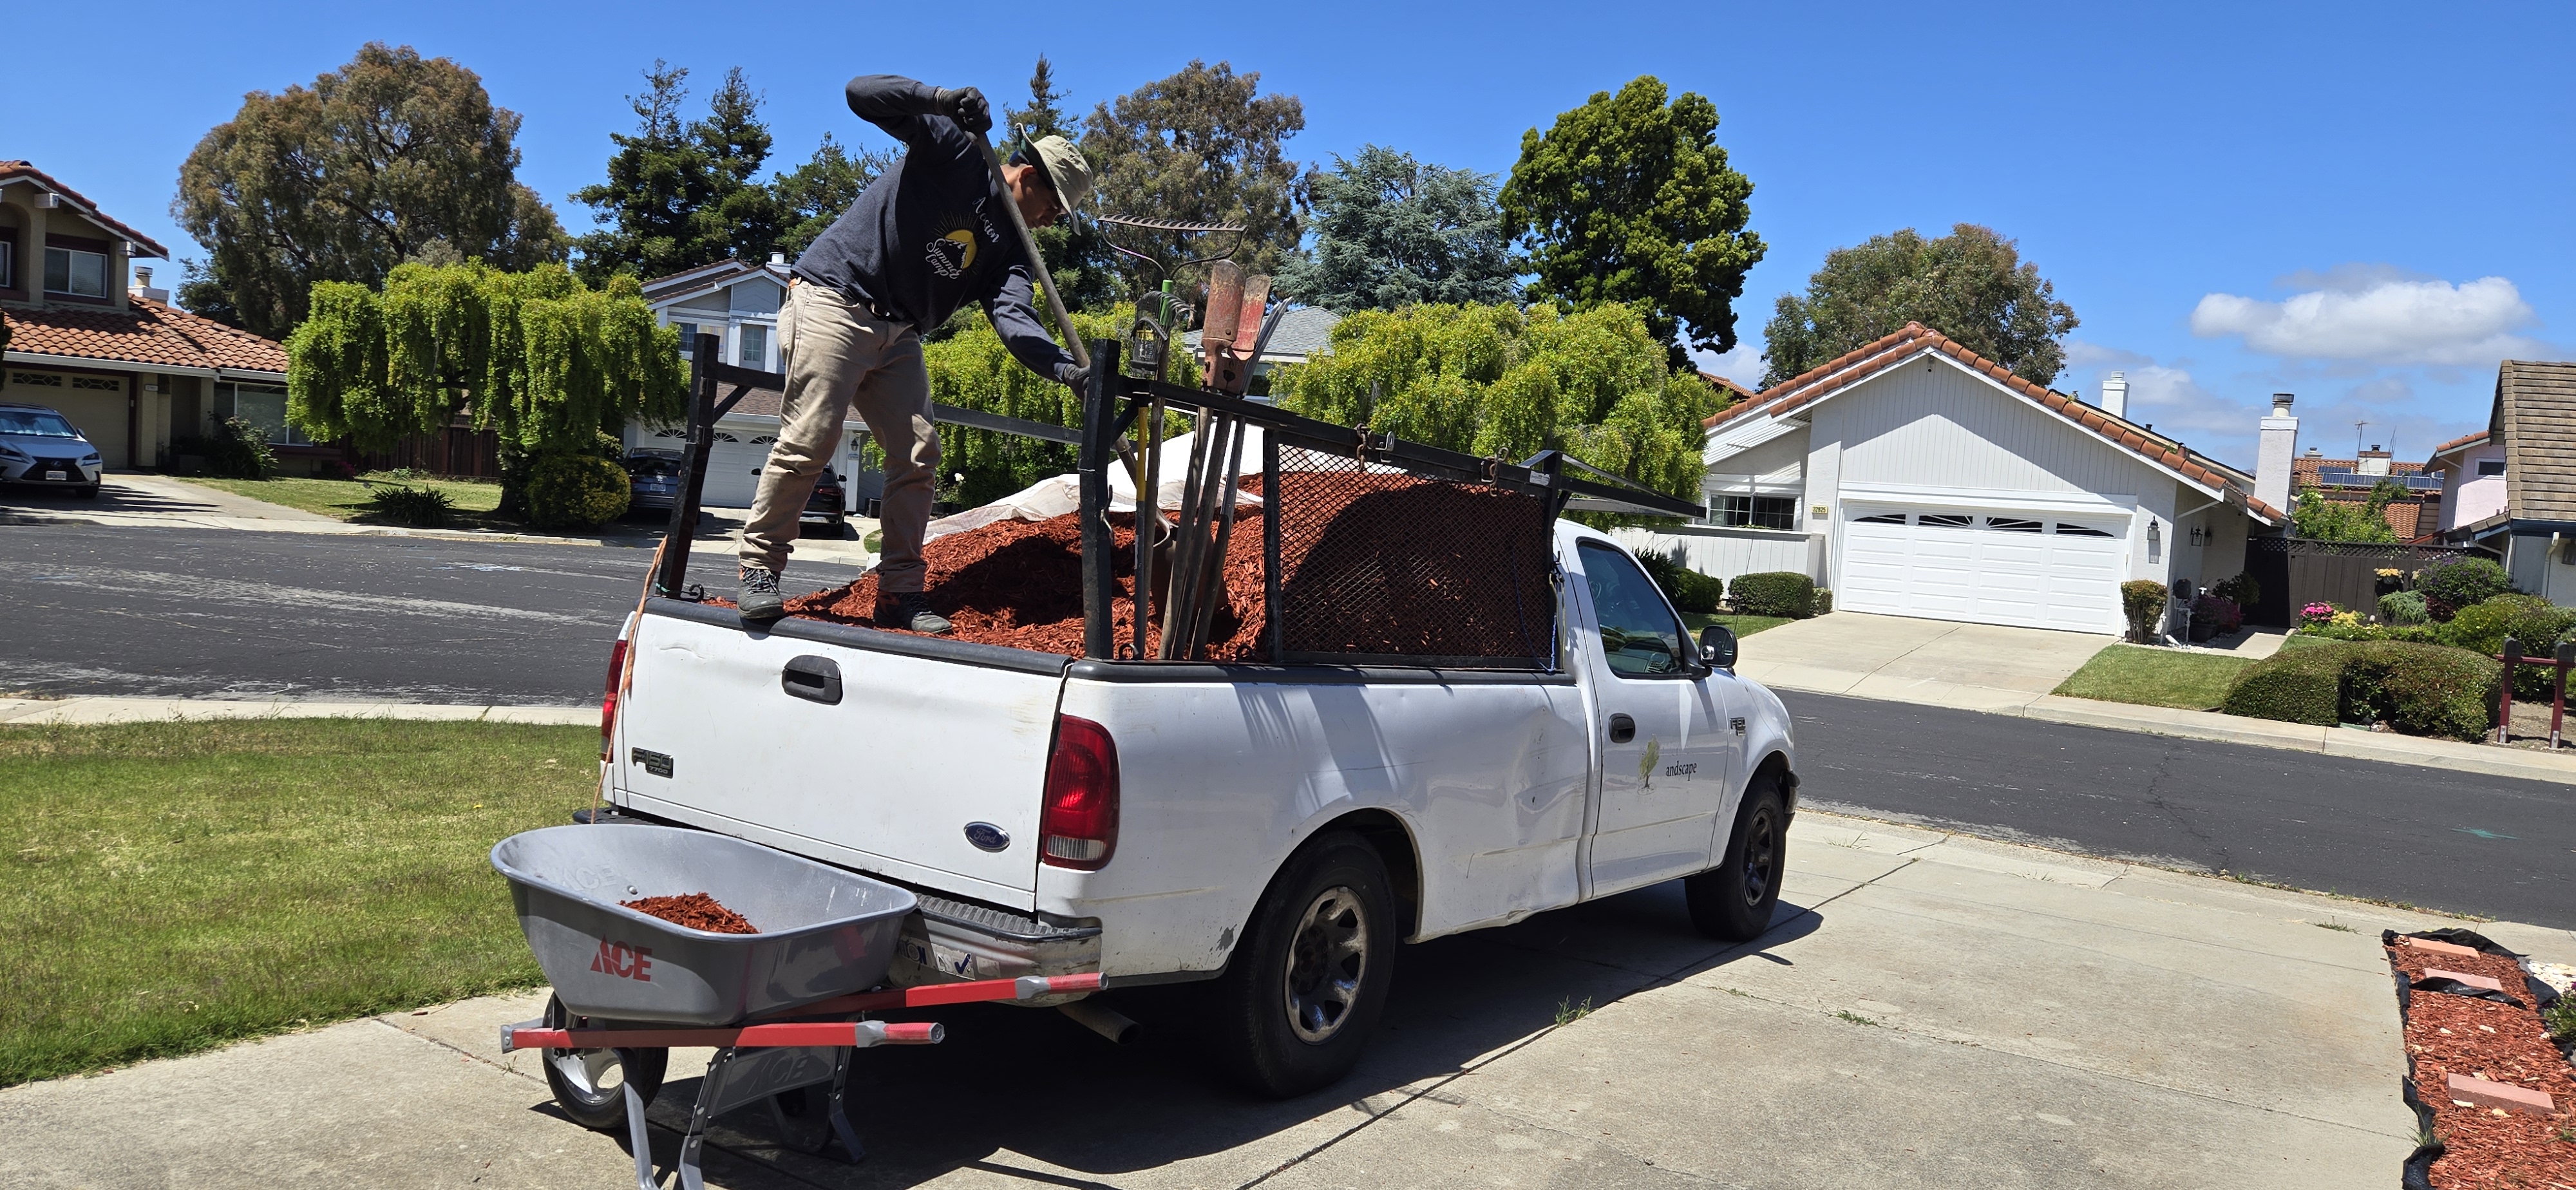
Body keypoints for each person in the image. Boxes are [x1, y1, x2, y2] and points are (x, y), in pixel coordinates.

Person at [735, 75, 1093, 630]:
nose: (1052, 221)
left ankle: (899, 592)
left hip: (898, 332)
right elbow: (858, 94)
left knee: (918, 453)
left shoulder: (1013, 253)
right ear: (1026, 176)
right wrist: (940, 101)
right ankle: (759, 569)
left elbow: (1015, 320)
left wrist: (1065, 368)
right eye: (1054, 206)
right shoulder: (956, 151)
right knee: (811, 438)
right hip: (837, 297)